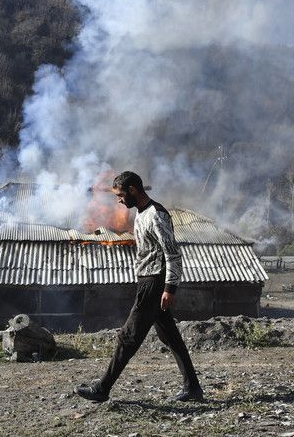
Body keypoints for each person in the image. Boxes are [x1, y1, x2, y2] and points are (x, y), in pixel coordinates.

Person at [74, 171, 203, 403]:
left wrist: (169, 288)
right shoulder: (140, 215)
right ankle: (193, 387)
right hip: (146, 280)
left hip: (154, 283)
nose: (119, 200)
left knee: (127, 337)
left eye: (121, 195)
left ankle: (102, 388)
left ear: (133, 190)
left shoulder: (157, 215)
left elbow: (172, 254)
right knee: (170, 337)